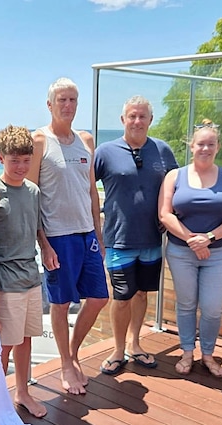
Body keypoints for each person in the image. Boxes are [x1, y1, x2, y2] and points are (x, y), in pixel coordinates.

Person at [27, 77, 109, 395]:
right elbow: (32, 194)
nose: (67, 105)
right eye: (61, 100)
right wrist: (42, 243)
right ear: (50, 105)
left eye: (72, 100)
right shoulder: (39, 141)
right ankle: (65, 364)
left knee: (100, 297)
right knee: (60, 304)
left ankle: (73, 352)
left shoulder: (86, 140)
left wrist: (99, 236)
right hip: (57, 236)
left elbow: (92, 190)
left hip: (86, 232)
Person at [94, 95, 179, 375]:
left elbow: (178, 188)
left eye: (142, 116)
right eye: (132, 116)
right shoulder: (105, 152)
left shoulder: (163, 151)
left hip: (153, 240)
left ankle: (136, 344)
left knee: (141, 294)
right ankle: (118, 350)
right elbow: (83, 188)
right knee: (122, 297)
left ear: (150, 120)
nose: (137, 121)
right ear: (123, 120)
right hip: (118, 238)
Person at [159, 120, 222, 378]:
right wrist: (191, 240)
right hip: (181, 252)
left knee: (211, 307)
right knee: (186, 304)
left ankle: (208, 353)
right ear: (191, 146)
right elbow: (165, 214)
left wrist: (207, 238)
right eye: (200, 144)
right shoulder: (175, 176)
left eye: (210, 144)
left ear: (218, 146)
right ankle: (187, 351)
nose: (205, 148)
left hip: (216, 253)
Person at [0, 125, 48, 417]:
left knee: (26, 338)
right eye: (15, 160)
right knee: (4, 346)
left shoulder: (33, 191)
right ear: (1, 158)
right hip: (5, 280)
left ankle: (23, 392)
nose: (21, 166)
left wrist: (47, 248)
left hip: (31, 276)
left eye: (26, 160)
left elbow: (36, 227)